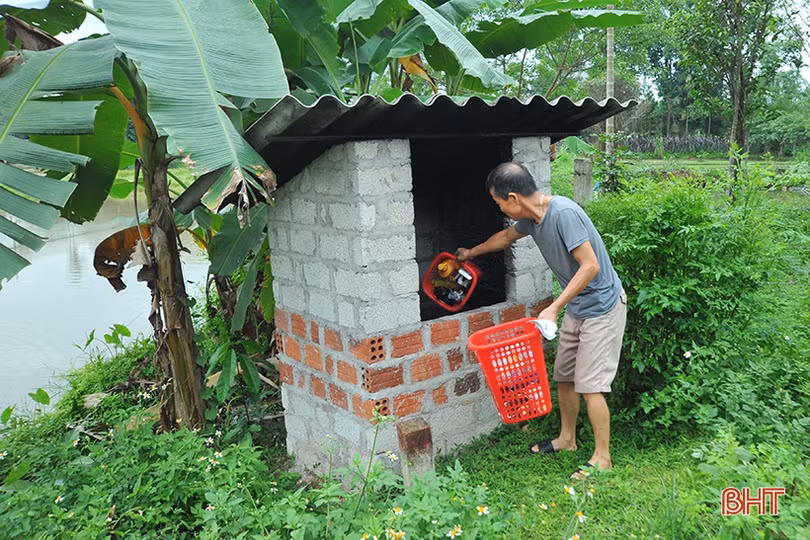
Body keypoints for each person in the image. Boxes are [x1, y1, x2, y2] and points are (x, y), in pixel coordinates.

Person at [455, 162, 626, 479]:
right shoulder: (531, 221)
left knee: (591, 386)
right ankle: (567, 439)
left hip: (602, 307)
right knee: (564, 376)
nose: (501, 209)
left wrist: (554, 307)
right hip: (578, 307)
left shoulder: (563, 213)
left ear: (513, 198)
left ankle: (603, 457)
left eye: (499, 203)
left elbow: (590, 267)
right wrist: (470, 253)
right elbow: (505, 237)